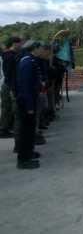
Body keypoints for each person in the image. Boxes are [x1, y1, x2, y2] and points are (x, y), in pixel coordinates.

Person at [15, 41, 42, 169]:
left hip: (29, 99)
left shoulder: (30, 60)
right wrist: (30, 106)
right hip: (26, 101)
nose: (41, 50)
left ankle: (29, 152)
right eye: (40, 48)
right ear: (35, 48)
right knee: (25, 132)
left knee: (30, 131)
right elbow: (26, 86)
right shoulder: (27, 62)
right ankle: (23, 159)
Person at [1, 36, 22, 139]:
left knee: (8, 108)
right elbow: (8, 74)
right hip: (9, 85)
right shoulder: (9, 56)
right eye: (19, 43)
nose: (21, 45)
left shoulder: (10, 55)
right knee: (9, 108)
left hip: (8, 84)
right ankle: (4, 129)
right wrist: (11, 88)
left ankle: (5, 128)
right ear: (14, 43)